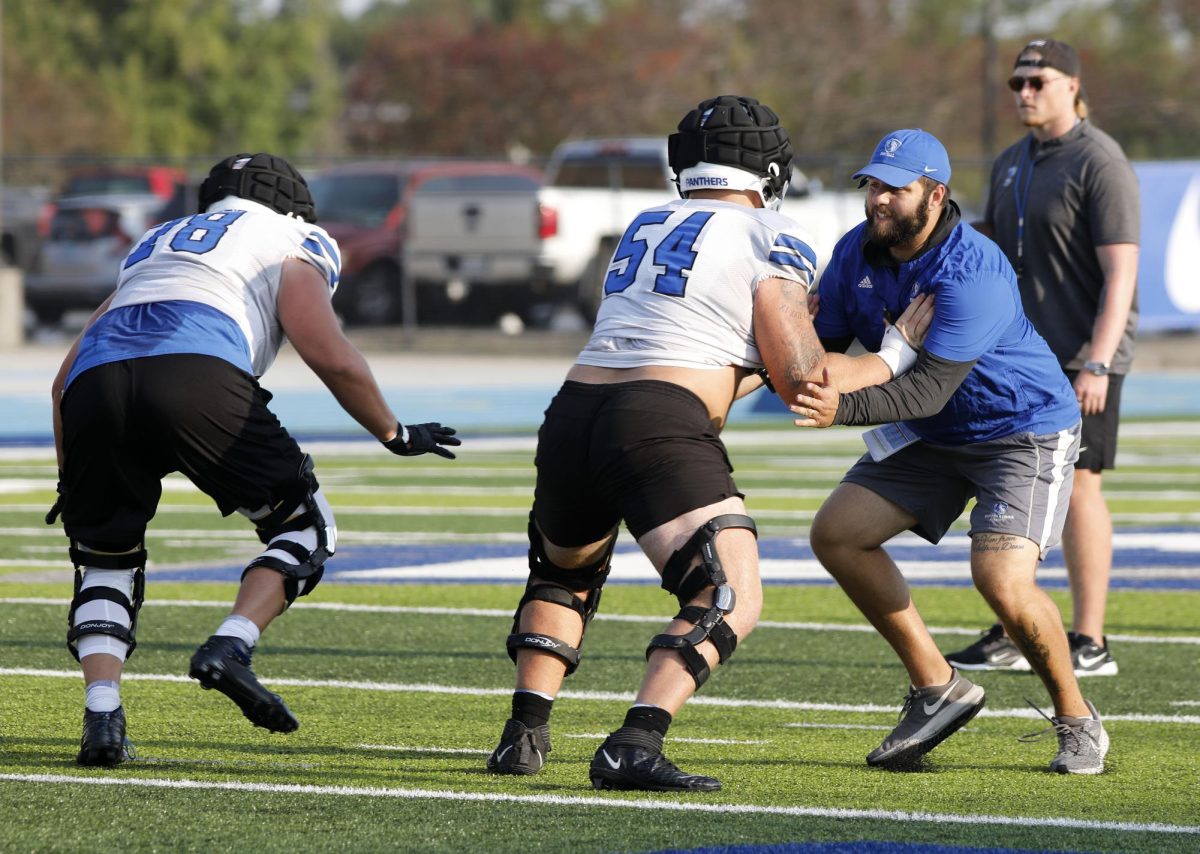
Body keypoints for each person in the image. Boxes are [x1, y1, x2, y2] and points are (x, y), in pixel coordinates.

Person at [48, 153, 461, 767]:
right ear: (290, 200)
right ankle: (231, 645)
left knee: (105, 558)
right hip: (195, 373)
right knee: (305, 526)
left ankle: (103, 715)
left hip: (94, 385)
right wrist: (394, 432)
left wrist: (72, 474)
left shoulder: (156, 243)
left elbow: (63, 380)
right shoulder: (289, 236)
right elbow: (328, 350)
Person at [484, 94, 840, 793]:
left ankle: (523, 733)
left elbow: (695, 357)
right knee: (728, 591)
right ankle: (636, 741)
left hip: (575, 410)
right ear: (769, 171)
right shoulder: (771, 230)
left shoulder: (646, 220)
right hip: (656, 416)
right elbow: (800, 375)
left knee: (565, 571)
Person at [793, 129, 1110, 774]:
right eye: (873, 185)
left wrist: (842, 406)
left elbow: (930, 389)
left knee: (1000, 580)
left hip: (1019, 428)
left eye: (895, 188)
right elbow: (822, 358)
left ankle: (1078, 719)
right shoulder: (854, 252)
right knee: (837, 534)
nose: (878, 200)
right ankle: (938, 686)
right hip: (936, 436)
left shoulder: (974, 269)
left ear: (935, 195)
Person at [945, 38, 1140, 678]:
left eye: (1037, 80)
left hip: (1082, 356)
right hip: (1018, 357)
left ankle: (1090, 639)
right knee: (1010, 479)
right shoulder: (1010, 161)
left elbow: (1122, 274)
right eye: (1016, 83)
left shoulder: (1100, 160)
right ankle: (1012, 626)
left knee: (1081, 485)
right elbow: (989, 249)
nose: (1024, 92)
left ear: (1071, 86)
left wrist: (1099, 362)